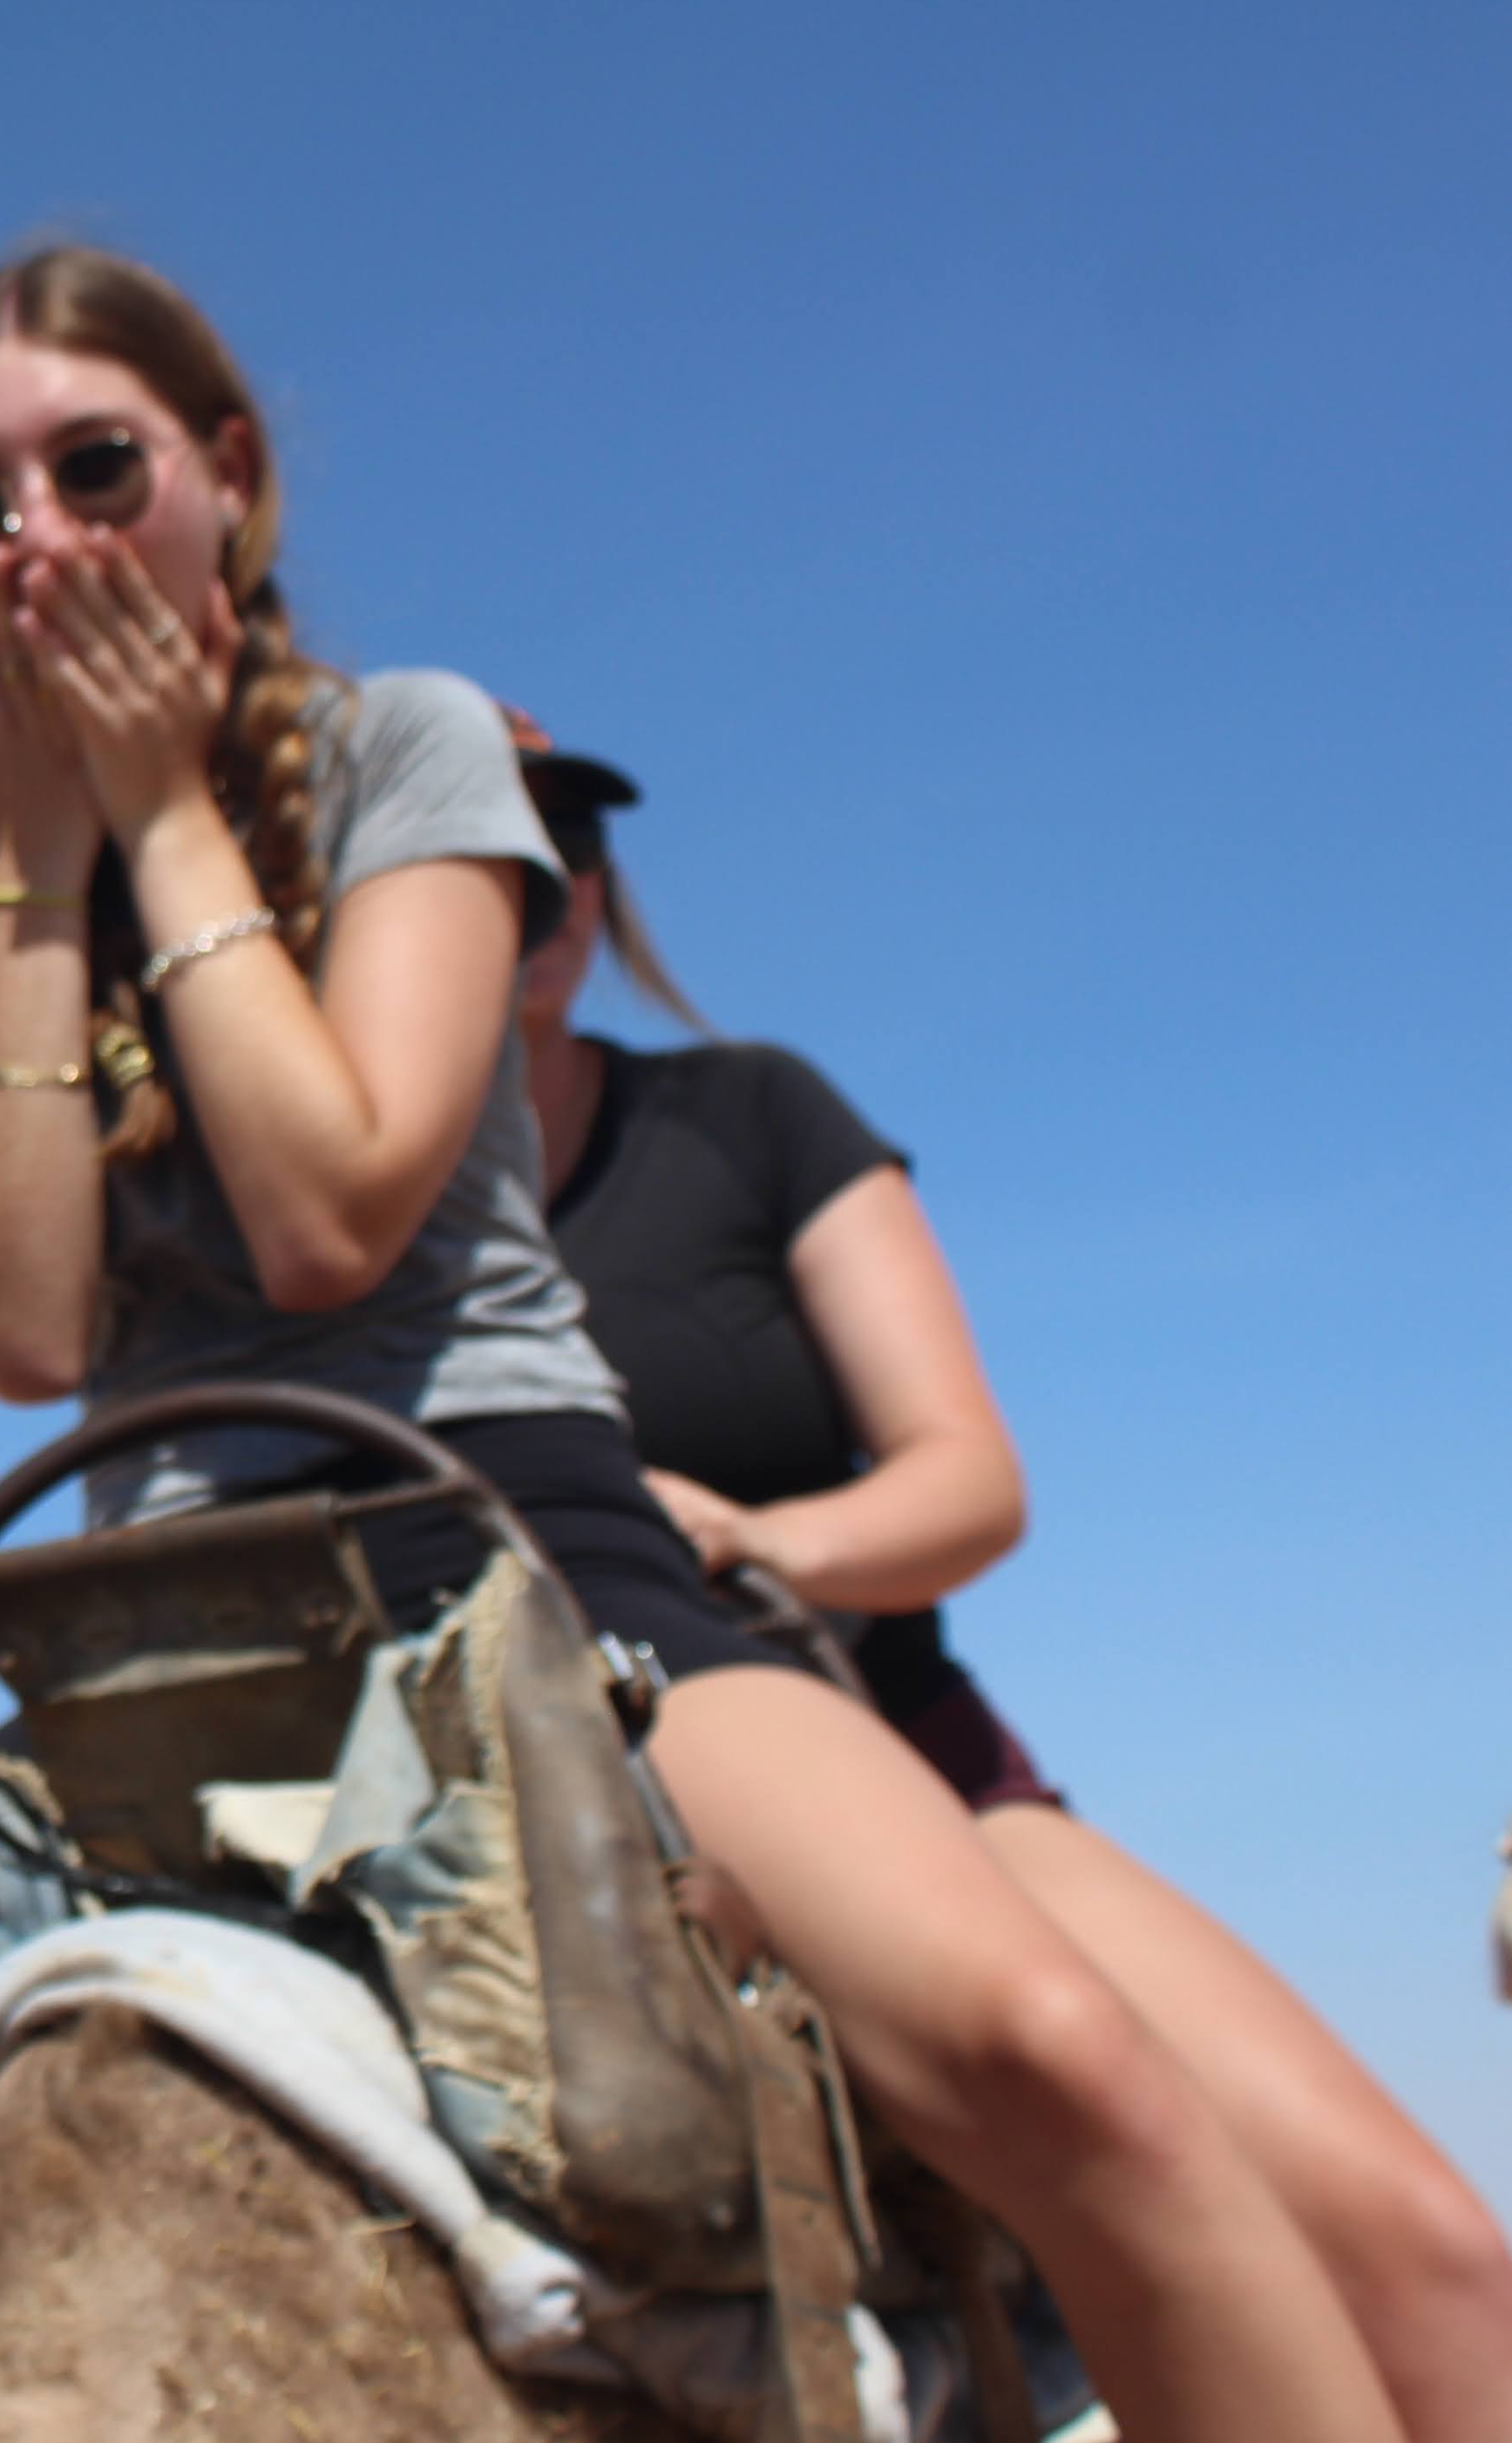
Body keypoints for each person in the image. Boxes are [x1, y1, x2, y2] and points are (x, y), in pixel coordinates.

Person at [0, 243, 1407, 2443]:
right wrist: (30, 873)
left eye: (93, 468)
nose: (36, 544)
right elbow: (11, 1320)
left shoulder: (413, 751)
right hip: (138, 1629)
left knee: (1060, 2061)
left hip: (516, 1551)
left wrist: (162, 807)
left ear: (229, 477)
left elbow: (325, 1208)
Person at [516, 730, 1512, 2442]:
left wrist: (756, 1543)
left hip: (886, 1745)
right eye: (464, 834)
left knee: (1420, 2258)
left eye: (563, 839)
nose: (533, 879)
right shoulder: (330, 1242)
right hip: (530, 1796)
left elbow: (968, 1480)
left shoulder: (750, 1112)